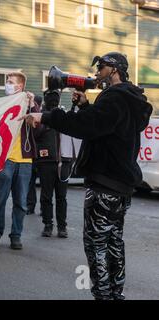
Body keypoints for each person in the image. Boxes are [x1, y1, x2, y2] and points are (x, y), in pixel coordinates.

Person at [22, 52, 153, 300]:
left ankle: (103, 295)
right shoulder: (129, 99)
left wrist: (47, 116)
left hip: (105, 183)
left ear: (114, 70)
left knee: (95, 244)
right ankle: (116, 293)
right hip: (121, 185)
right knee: (114, 242)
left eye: (101, 66)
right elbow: (104, 128)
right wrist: (85, 107)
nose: (97, 71)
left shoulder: (114, 98)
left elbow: (87, 127)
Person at [0, 71, 40, 250]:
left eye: (10, 82)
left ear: (20, 86)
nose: (7, 85)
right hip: (4, 159)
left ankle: (16, 235)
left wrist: (32, 104)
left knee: (21, 202)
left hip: (24, 160)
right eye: (7, 82)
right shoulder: (0, 104)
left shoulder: (30, 105)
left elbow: (38, 127)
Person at [34, 98, 75, 238]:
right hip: (46, 161)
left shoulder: (63, 117)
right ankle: (48, 224)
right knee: (46, 195)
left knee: (61, 197)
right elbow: (36, 134)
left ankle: (62, 226)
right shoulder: (42, 118)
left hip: (64, 162)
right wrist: (46, 121)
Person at [26, 95, 43, 215]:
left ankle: (30, 206)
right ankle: (41, 208)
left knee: (31, 183)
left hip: (33, 154)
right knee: (43, 184)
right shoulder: (43, 116)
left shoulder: (38, 117)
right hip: (40, 155)